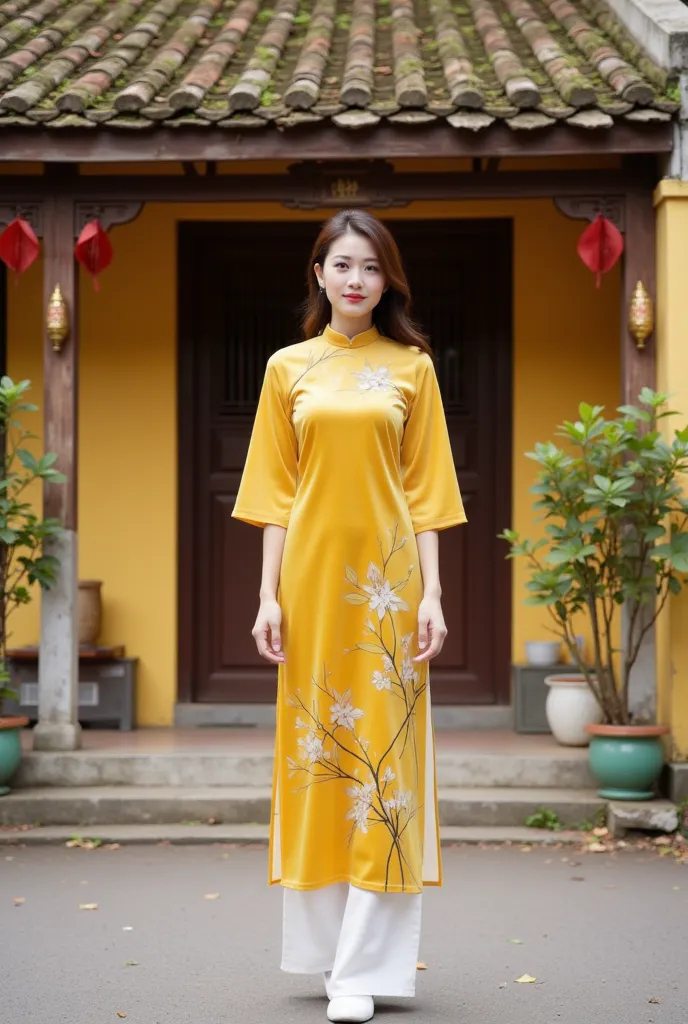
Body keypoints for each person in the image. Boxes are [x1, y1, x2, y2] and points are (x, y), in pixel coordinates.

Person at [231, 210, 466, 1023]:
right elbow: (273, 494)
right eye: (342, 264)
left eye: (371, 266)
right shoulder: (285, 368)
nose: (357, 279)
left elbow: (430, 495)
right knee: (316, 758)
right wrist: (267, 595)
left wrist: (433, 595)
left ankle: (365, 969)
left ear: (387, 278)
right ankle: (328, 960)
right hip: (310, 585)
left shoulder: (412, 369)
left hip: (389, 592)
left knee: (385, 762)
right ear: (320, 275)